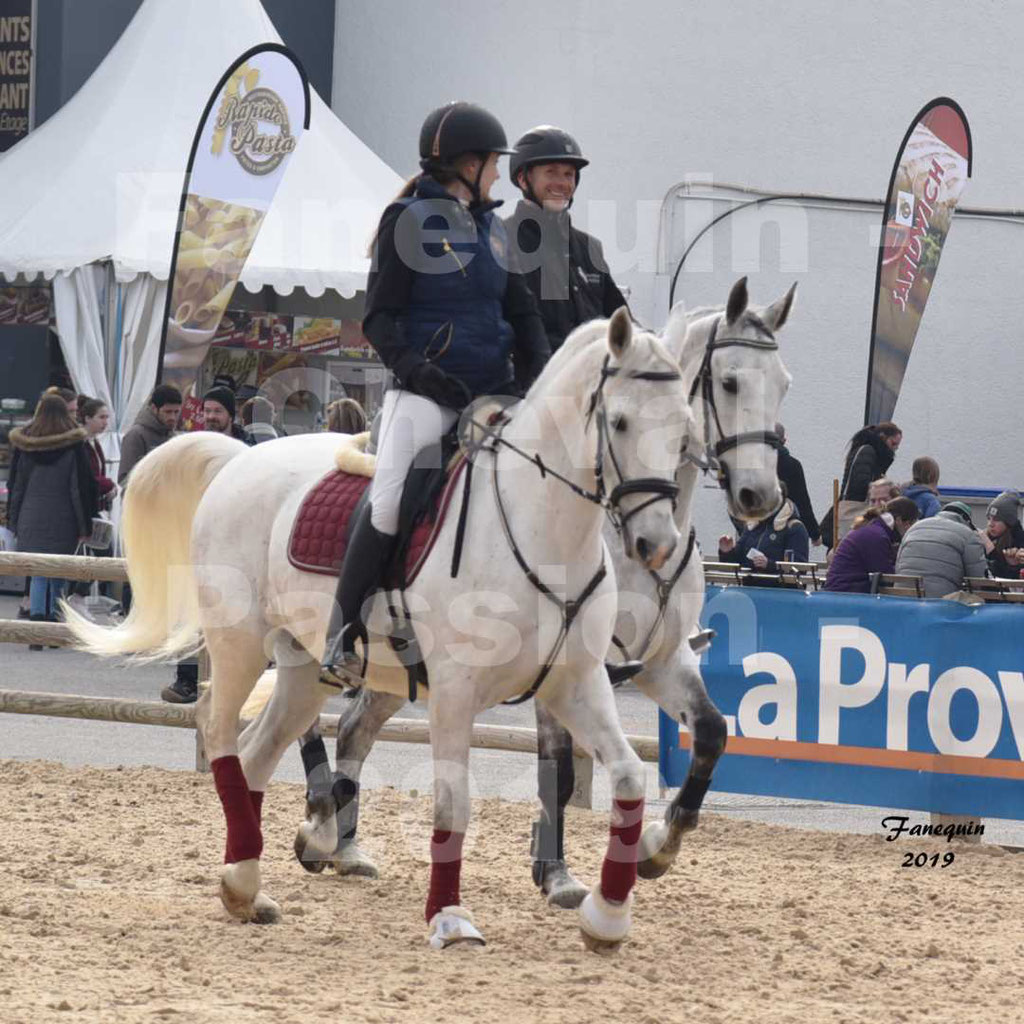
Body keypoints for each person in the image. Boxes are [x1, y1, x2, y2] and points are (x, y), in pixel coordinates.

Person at [319, 101, 548, 684]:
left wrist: (538, 379)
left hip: (494, 395)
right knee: (393, 498)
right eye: (493, 164)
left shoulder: (495, 230)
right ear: (465, 164)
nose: (498, 175)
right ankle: (342, 633)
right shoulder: (408, 220)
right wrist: (421, 372)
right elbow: (380, 320)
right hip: (423, 393)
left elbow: (522, 315)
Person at [504, 124, 627, 356]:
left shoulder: (589, 247)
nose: (562, 183)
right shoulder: (501, 240)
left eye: (569, 174)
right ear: (523, 179)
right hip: (531, 386)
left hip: (593, 383)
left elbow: (621, 320)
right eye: (551, 172)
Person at [6, 393, 98, 647]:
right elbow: (77, 489)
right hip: (64, 516)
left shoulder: (25, 445)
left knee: (37, 572)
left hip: (30, 515)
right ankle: (54, 627)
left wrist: (12, 521)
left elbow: (17, 487)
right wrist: (84, 525)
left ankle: (36, 628)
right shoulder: (73, 446)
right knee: (58, 569)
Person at [820, 421, 902, 549]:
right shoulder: (868, 451)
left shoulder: (867, 451)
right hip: (855, 507)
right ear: (882, 437)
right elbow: (859, 482)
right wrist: (882, 488)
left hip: (850, 506)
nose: (895, 449)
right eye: (893, 443)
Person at [895, 501, 988, 598]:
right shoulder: (968, 534)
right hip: (942, 602)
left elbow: (899, 565)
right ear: (967, 521)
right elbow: (978, 580)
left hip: (903, 597)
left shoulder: (914, 528)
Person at [825, 497, 919, 592]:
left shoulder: (873, 529)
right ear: (899, 521)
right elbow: (888, 577)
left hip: (842, 592)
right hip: (846, 595)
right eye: (909, 525)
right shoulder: (876, 536)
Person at [718, 487, 810, 577]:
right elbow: (737, 561)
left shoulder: (794, 528)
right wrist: (727, 551)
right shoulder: (752, 526)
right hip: (749, 587)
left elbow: (798, 570)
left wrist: (769, 565)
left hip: (779, 590)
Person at [118, 384, 181, 486]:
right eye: (168, 412)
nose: (173, 417)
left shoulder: (173, 436)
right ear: (154, 408)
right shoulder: (136, 435)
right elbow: (125, 479)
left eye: (176, 412)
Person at [775, 422, 820, 546]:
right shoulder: (793, 465)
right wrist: (814, 533)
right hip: (784, 528)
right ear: (784, 440)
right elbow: (802, 501)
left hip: (755, 530)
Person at [78, 397, 116, 511]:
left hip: (95, 503)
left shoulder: (94, 441)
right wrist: (109, 485)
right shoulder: (80, 444)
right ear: (88, 418)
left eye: (106, 417)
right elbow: (87, 476)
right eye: (101, 417)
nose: (105, 422)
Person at [979, 490, 1024, 579]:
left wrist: (991, 551)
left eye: (996, 520)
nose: (990, 524)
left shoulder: (1019, 543)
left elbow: (1009, 581)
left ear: (1008, 523)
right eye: (989, 518)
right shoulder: (983, 538)